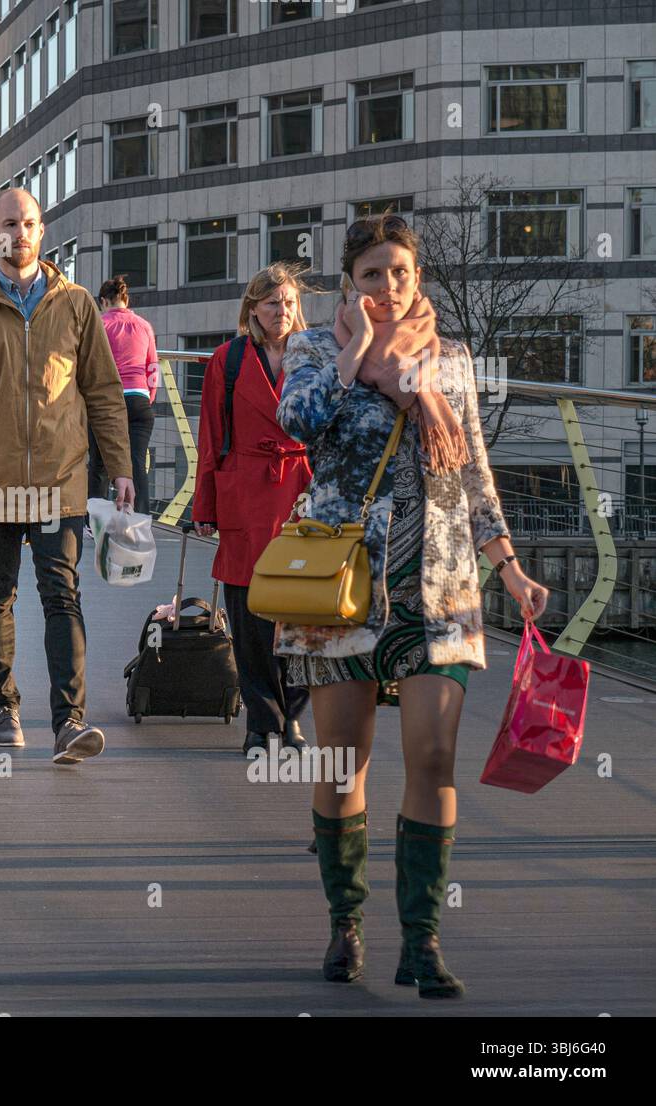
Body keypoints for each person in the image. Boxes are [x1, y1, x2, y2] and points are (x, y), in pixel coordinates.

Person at [275, 214, 548, 998]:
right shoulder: (316, 349)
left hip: (441, 582)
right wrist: (355, 354)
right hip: (341, 584)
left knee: (434, 756)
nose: (387, 287)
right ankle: (346, 920)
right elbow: (298, 425)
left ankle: (422, 940)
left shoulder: (451, 360)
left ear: (415, 277)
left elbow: (472, 475)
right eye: (371, 275)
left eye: (399, 273)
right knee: (344, 760)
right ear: (349, 282)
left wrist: (513, 569)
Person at [0, 187, 133, 765]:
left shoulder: (78, 303)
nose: (21, 232)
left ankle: (68, 722)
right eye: (9, 223)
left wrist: (121, 468)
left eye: (30, 222)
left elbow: (105, 394)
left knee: (62, 594)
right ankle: (3, 708)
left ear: (43, 230)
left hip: (62, 477)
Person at [193, 263, 314, 756]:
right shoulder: (229, 359)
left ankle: (294, 718)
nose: (281, 311)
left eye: (288, 303)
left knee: (303, 613)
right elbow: (210, 437)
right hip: (245, 490)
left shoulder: (316, 356)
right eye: (271, 303)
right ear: (253, 309)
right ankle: (261, 722)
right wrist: (206, 504)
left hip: (302, 493)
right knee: (249, 618)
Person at [90, 276, 158, 515]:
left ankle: (94, 520)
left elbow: (92, 364)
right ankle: (139, 516)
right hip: (140, 400)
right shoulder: (144, 325)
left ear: (103, 301)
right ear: (126, 300)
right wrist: (147, 397)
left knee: (98, 462)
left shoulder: (100, 324)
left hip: (109, 402)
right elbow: (152, 367)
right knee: (137, 462)